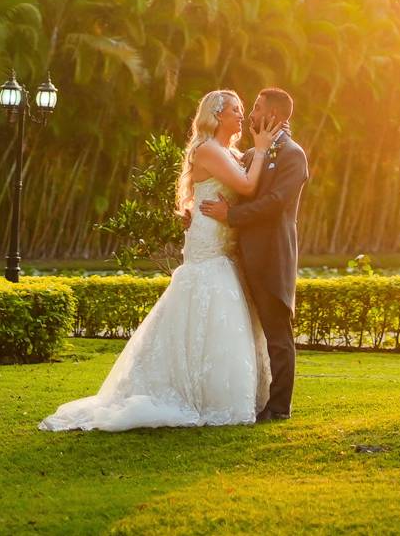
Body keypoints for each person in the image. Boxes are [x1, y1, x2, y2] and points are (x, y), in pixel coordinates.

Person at [39, 89, 273, 431]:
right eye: (235, 110)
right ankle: (198, 393)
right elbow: (247, 187)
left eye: (242, 110)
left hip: (224, 239)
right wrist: (263, 148)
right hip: (209, 242)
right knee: (207, 298)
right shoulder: (208, 149)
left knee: (225, 310)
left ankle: (218, 390)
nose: (241, 115)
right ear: (216, 115)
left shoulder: (230, 152)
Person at [199, 87, 309, 422]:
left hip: (272, 256)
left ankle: (278, 407)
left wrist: (230, 215)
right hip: (239, 255)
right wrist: (197, 212)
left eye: (257, 108)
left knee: (278, 334)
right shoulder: (250, 154)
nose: (250, 114)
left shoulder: (293, 155)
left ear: (273, 115)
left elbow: (275, 204)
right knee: (248, 332)